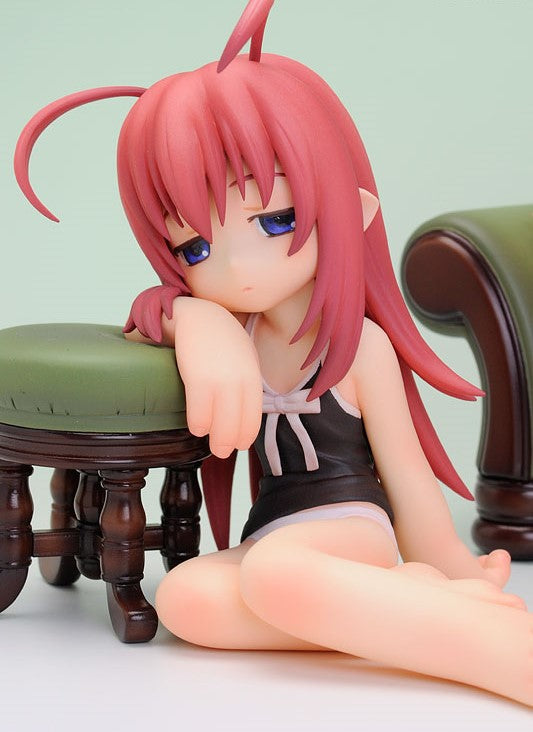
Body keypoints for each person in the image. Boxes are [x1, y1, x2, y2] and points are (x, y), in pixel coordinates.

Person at [14, 0, 532, 707]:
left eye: (276, 219)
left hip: (349, 530)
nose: (236, 267)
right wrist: (192, 314)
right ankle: (395, 609)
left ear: (349, 206)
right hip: (272, 537)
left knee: (277, 577)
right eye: (195, 248)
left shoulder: (359, 349)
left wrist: (450, 567)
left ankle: (490, 647)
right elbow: (140, 329)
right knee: (187, 599)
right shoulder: (235, 338)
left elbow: (407, 477)